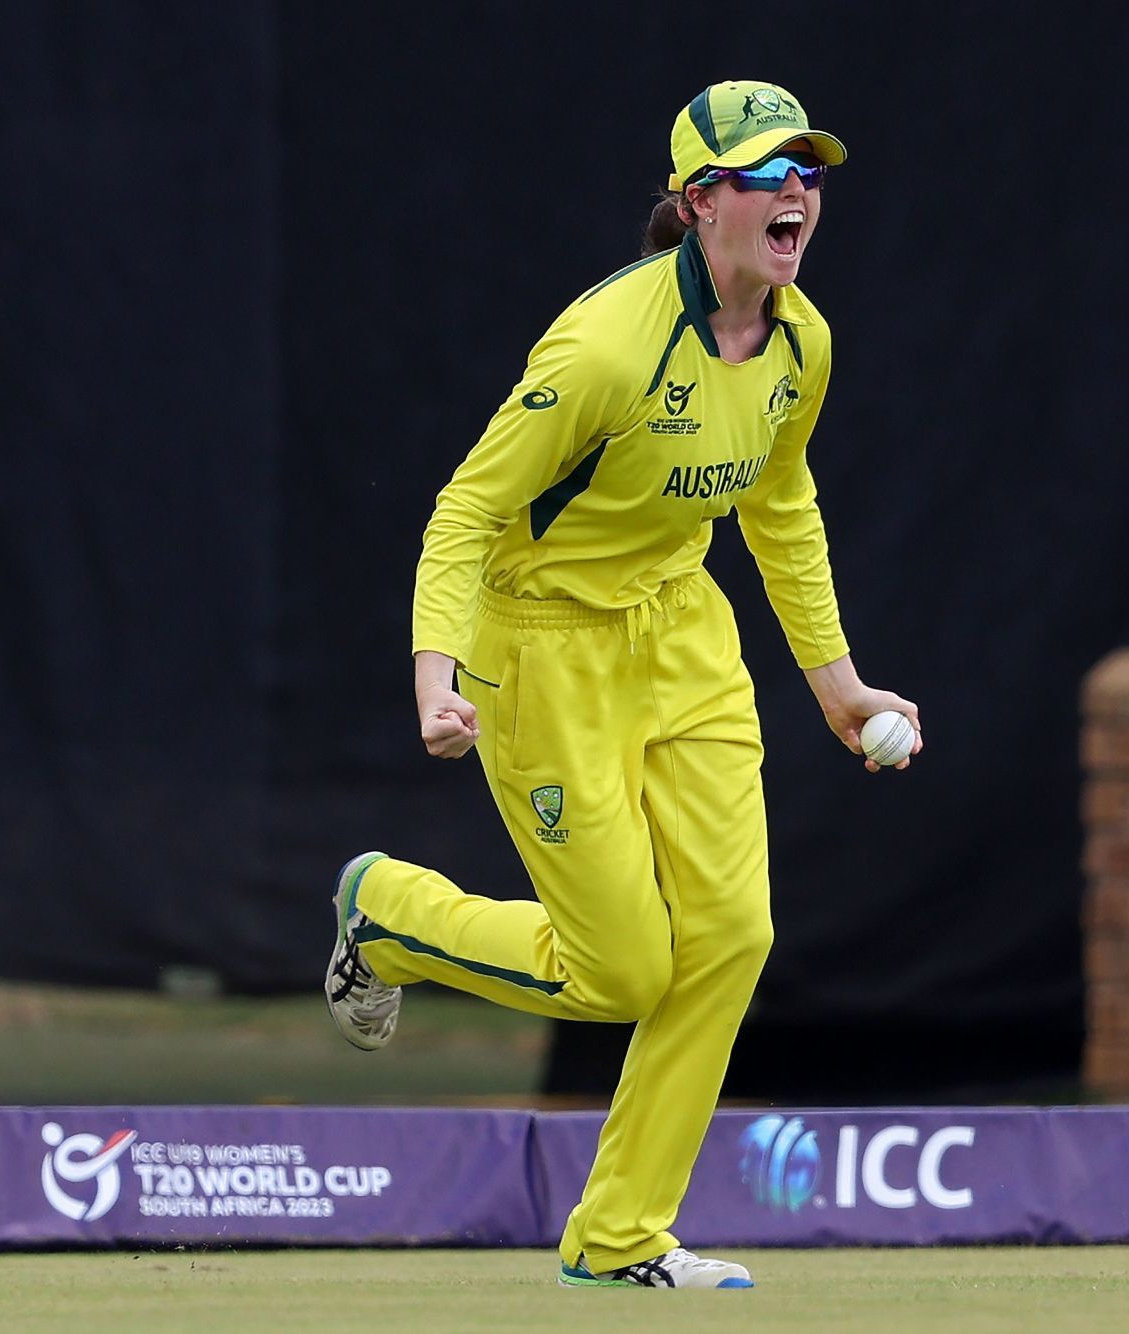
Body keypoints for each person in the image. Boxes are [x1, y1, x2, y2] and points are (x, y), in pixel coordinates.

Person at [322, 78, 922, 1290]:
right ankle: (388, 916)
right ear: (702, 203)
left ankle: (620, 1235)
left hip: (683, 636)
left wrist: (841, 690)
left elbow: (783, 504)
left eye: (808, 171)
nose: (796, 191)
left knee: (732, 935)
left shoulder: (801, 340)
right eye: (766, 174)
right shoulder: (605, 347)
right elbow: (469, 507)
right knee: (621, 972)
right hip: (542, 648)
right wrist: (438, 674)